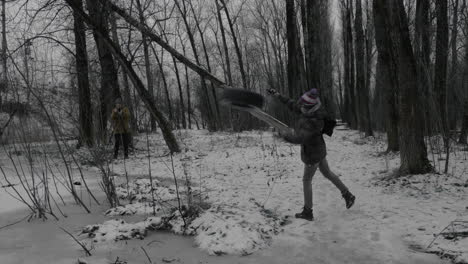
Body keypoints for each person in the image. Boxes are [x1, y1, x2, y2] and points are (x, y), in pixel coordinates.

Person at [267, 88, 355, 221]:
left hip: (312, 154)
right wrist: (278, 95)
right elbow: (292, 104)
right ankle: (347, 194)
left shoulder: (314, 121)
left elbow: (300, 138)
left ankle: (308, 211)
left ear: (309, 107)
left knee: (306, 180)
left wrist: (283, 135)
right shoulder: (308, 111)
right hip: (319, 150)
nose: (300, 107)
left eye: (303, 105)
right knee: (327, 173)